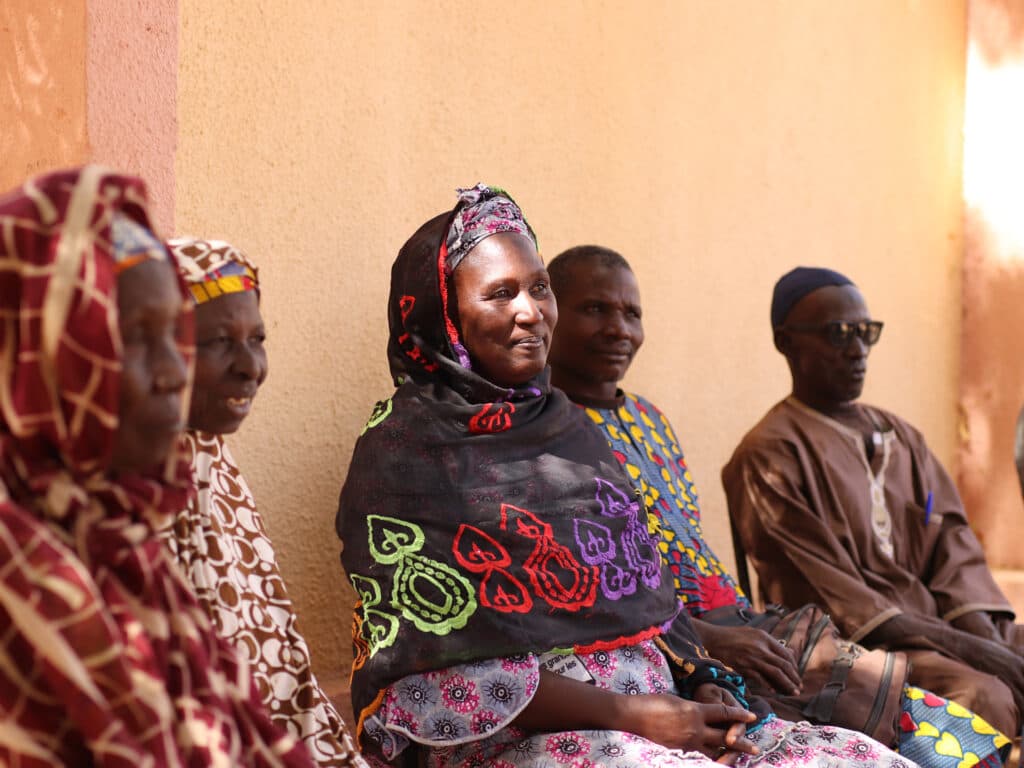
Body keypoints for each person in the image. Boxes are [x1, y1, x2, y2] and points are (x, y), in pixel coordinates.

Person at [335, 185, 915, 768]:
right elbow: (430, 673)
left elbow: (643, 604)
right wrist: (633, 716)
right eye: (499, 294)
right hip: (517, 737)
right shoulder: (407, 454)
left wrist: (698, 683)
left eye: (540, 287)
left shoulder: (568, 431)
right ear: (445, 318)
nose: (531, 311)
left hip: (662, 712)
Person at [546, 245, 1011, 768]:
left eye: (632, 313)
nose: (618, 329)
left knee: (966, 741)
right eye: (594, 309)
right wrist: (706, 640)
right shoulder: (543, 435)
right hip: (677, 645)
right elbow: (591, 591)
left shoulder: (650, 419)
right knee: (946, 722)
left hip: (749, 623)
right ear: (549, 311)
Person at [0, 166, 313, 766]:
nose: (174, 371)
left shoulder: (120, 540)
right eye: (135, 336)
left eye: (174, 334)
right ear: (41, 352)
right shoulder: (24, 569)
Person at [722, 265, 1024, 738]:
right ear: (786, 342)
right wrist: (974, 651)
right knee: (983, 694)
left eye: (866, 332)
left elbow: (954, 549)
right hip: (855, 649)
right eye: (837, 334)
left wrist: (986, 636)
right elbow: (836, 601)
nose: (856, 350)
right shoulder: (771, 454)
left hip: (944, 629)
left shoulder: (901, 436)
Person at [161, 237, 367, 767]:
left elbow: (278, 678)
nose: (250, 366)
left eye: (258, 338)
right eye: (217, 342)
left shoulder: (213, 469)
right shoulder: (122, 493)